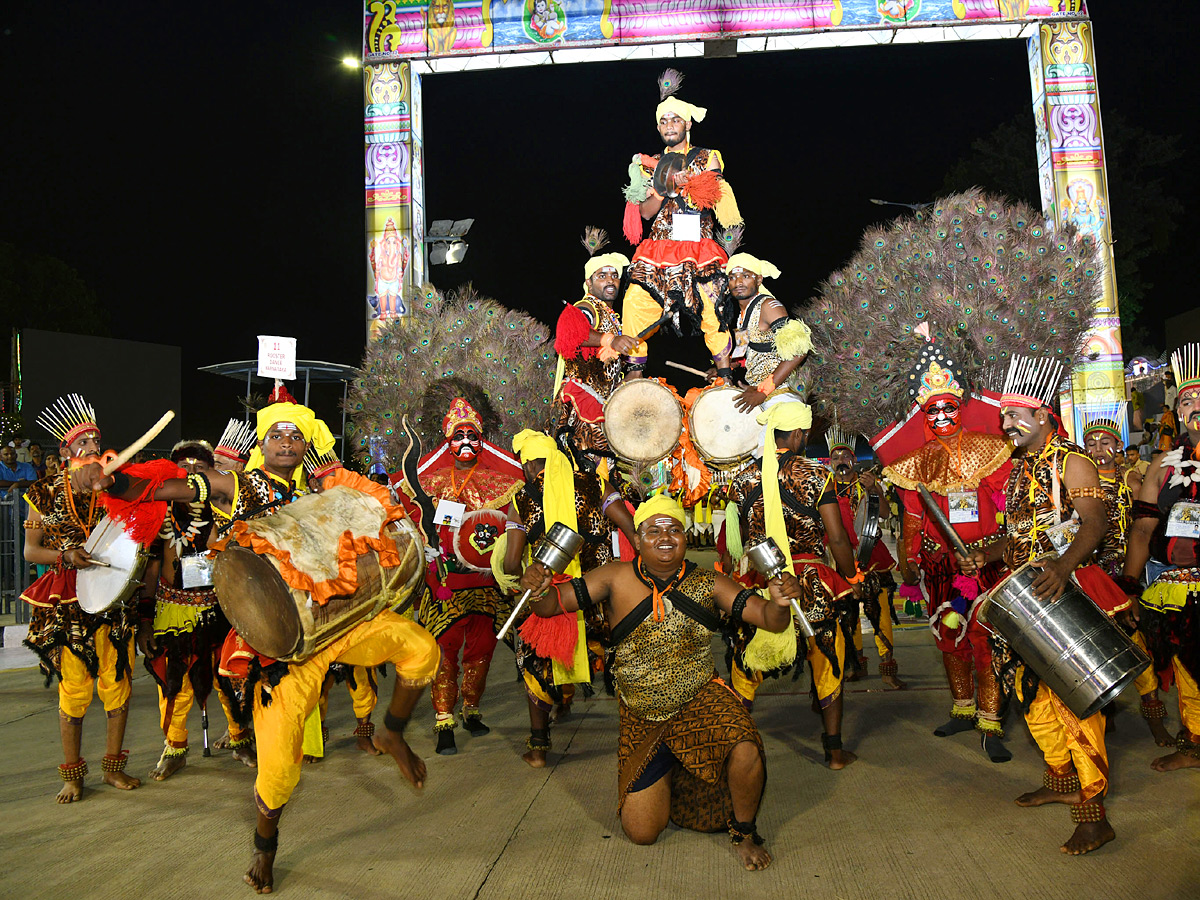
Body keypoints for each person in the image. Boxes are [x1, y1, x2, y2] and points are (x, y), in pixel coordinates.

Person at [73, 386, 441, 893]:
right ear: (261, 446)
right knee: (278, 774)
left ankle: (392, 731)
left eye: (295, 434)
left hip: (342, 626)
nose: (286, 441)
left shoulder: (325, 492)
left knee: (422, 650)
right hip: (282, 653)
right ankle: (264, 849)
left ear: (305, 444)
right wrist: (116, 481)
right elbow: (176, 488)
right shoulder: (239, 488)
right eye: (275, 434)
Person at [518, 494, 799, 871]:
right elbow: (552, 605)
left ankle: (744, 832)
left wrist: (780, 603)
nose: (665, 537)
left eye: (674, 529)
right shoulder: (614, 577)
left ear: (685, 538)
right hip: (640, 713)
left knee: (745, 746)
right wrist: (538, 588)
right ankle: (678, 768)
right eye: (653, 530)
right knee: (642, 832)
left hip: (699, 697)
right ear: (637, 540)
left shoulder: (709, 581)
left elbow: (768, 618)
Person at [960, 354, 1127, 855]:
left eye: (1015, 415)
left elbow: (1094, 525)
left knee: (1073, 703)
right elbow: (1018, 536)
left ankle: (1095, 815)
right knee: (1031, 696)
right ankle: (1060, 782)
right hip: (1027, 594)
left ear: (1045, 416)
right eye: (1004, 416)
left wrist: (1063, 567)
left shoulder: (1073, 460)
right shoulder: (1018, 470)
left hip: (1065, 589)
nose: (1006, 423)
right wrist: (983, 553)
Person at [882, 345, 1013, 761]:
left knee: (987, 639)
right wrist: (909, 560)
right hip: (942, 565)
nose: (940, 417)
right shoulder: (915, 463)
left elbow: (1012, 508)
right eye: (932, 410)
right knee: (949, 636)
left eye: (947, 407)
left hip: (987, 563)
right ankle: (962, 708)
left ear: (960, 406)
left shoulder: (990, 450)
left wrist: (1007, 549)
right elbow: (914, 520)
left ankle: (991, 723)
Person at [725, 400, 864, 768]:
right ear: (800, 434)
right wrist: (851, 577)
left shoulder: (743, 479)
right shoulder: (817, 475)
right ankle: (834, 752)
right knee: (827, 660)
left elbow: (740, 538)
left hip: (762, 582)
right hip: (811, 580)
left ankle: (735, 749)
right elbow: (836, 538)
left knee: (746, 665)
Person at [20, 394, 141, 802]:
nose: (92, 450)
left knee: (118, 683)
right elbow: (30, 551)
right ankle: (73, 775)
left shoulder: (111, 489)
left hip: (111, 600)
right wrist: (66, 556)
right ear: (66, 451)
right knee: (74, 688)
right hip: (68, 603)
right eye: (83, 444)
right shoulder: (42, 493)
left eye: (96, 443)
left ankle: (113, 769)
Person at [502, 429, 635, 766]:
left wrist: (521, 573)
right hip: (601, 596)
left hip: (552, 599)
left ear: (529, 465)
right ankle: (636, 736)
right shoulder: (595, 484)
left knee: (536, 663)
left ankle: (538, 747)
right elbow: (630, 527)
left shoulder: (521, 499)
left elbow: (511, 563)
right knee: (619, 659)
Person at [138, 439, 254, 780]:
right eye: (182, 470)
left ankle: (240, 738)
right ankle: (174, 748)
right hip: (171, 608)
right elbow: (150, 571)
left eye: (198, 470)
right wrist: (145, 620)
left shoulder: (221, 513)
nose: (189, 476)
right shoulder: (158, 516)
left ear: (210, 475)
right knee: (175, 685)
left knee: (227, 677)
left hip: (217, 609)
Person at [620, 69, 742, 378]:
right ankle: (634, 380)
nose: (669, 126)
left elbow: (712, 196)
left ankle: (725, 378)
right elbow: (646, 213)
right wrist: (664, 187)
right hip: (660, 247)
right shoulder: (652, 164)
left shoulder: (708, 156)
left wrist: (690, 183)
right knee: (635, 301)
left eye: (675, 120)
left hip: (698, 247)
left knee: (713, 309)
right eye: (663, 121)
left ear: (687, 124)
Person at [418, 396, 523, 755]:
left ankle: (471, 709)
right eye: (458, 436)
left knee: (482, 650)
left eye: (472, 435)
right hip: (449, 583)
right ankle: (443, 718)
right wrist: (435, 560)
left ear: (482, 439)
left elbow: (510, 530)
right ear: (447, 442)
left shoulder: (501, 484)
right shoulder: (440, 486)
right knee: (445, 651)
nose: (465, 442)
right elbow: (441, 534)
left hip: (488, 585)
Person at [1121, 343, 1200, 772]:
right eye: (1187, 399)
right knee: (1187, 671)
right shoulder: (1161, 466)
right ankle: (1196, 743)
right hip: (1175, 583)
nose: (1196, 406)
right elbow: (1143, 531)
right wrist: (1129, 588)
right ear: (1175, 411)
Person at [551, 227, 638, 470]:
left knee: (606, 472)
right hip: (582, 402)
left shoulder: (611, 315)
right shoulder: (586, 307)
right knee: (588, 471)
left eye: (614, 275)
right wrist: (609, 340)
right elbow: (570, 335)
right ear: (589, 282)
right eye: (602, 276)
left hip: (602, 402)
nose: (610, 280)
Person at [826, 425, 904, 689]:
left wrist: (875, 491)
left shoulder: (866, 484)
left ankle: (887, 669)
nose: (840, 462)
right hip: (839, 559)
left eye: (844, 457)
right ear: (830, 463)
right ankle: (857, 665)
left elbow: (883, 514)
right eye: (835, 458)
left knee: (880, 612)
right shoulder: (825, 489)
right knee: (848, 616)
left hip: (871, 557)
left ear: (853, 460)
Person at [713, 253, 811, 412]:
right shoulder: (740, 317)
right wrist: (723, 367)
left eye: (745, 276)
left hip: (781, 395)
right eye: (732, 277)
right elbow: (742, 354)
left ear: (758, 280)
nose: (738, 282)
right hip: (757, 395)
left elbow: (799, 351)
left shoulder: (768, 306)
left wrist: (763, 390)